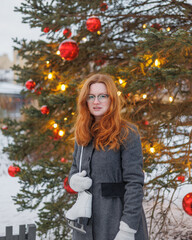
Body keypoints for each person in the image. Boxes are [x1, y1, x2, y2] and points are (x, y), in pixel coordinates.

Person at [68, 73, 149, 240]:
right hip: (86, 222)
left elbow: (134, 183)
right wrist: (73, 180)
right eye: (91, 97)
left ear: (111, 98)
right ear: (85, 101)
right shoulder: (82, 133)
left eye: (102, 96)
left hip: (115, 220)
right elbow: (75, 168)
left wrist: (127, 228)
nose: (96, 101)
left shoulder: (127, 133)